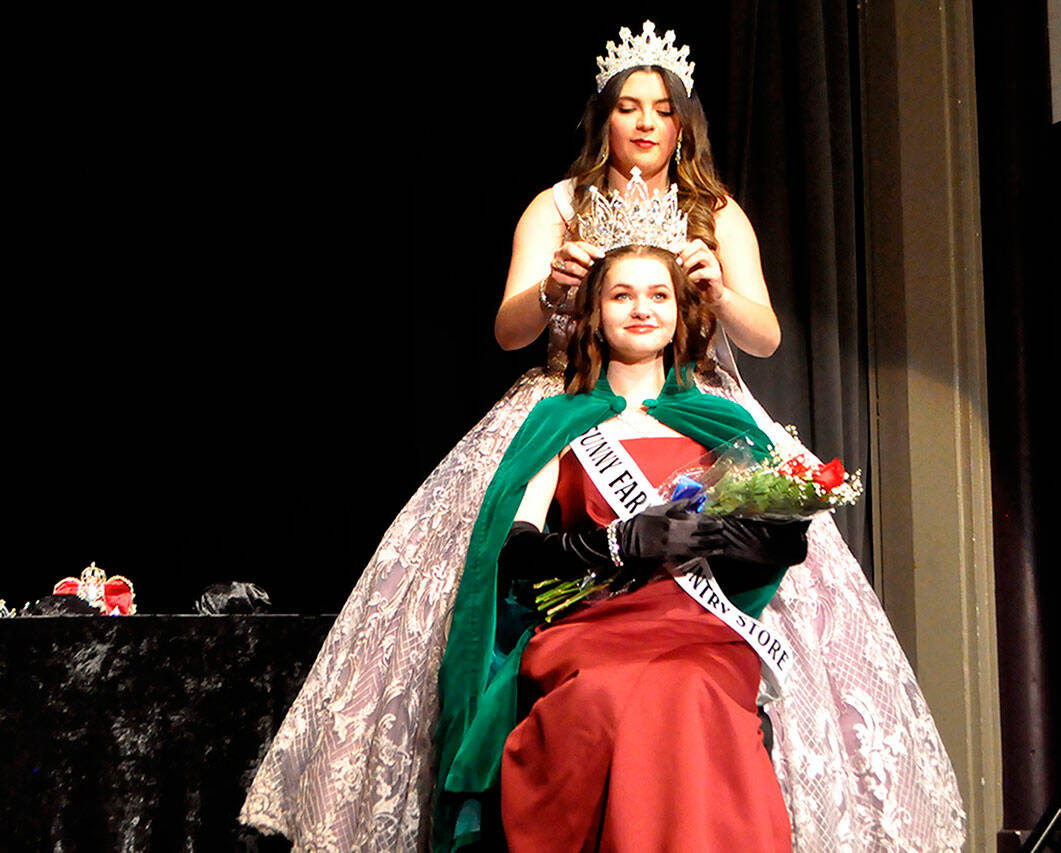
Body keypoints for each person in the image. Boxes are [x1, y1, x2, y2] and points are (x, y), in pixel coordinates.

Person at [241, 21, 966, 852]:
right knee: (496, 573)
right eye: (629, 108)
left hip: (693, 403)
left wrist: (717, 290)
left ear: (683, 121)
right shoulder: (556, 204)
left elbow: (762, 335)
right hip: (573, 398)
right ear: (605, 118)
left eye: (663, 109)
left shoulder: (715, 209)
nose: (647, 124)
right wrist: (551, 290)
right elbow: (510, 330)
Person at [435, 238, 803, 850]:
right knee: (610, 695)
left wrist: (734, 539)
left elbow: (784, 547)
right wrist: (620, 541)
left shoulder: (727, 424)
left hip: (699, 629)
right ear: (595, 314)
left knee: (684, 689)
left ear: (682, 314)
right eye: (622, 295)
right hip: (591, 627)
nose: (642, 308)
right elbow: (519, 553)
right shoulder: (559, 421)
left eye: (659, 295)